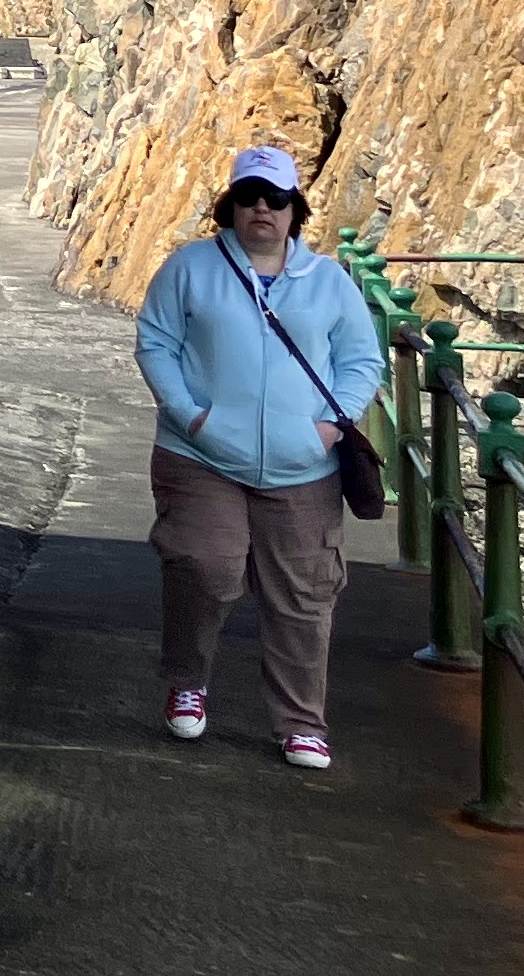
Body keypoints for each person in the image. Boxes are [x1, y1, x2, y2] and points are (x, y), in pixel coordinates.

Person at [134, 143, 382, 771]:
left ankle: (302, 723)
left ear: (295, 209)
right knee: (205, 567)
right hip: (202, 454)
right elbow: (156, 342)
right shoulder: (190, 267)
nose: (262, 209)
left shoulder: (329, 281)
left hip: (304, 465)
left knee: (303, 594)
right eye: (249, 197)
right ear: (232, 206)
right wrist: (190, 415)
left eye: (276, 199)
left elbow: (361, 361)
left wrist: (331, 427)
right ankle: (187, 681)